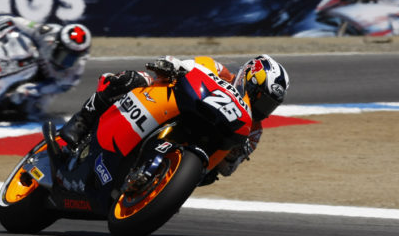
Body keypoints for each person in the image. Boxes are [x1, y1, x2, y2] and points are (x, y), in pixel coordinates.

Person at [58, 54, 290, 182]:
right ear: (247, 78)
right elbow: (188, 65)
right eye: (261, 98)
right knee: (130, 79)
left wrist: (234, 155)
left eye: (269, 104)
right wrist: (174, 65)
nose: (262, 107)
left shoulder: (253, 129)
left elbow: (227, 171)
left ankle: (157, 187)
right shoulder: (221, 72)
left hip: (195, 152)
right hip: (174, 104)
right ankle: (82, 121)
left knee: (205, 178)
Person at [0, 12, 92, 117]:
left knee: (32, 112)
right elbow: (13, 20)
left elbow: (55, 87)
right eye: (64, 54)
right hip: (27, 59)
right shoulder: (46, 33)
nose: (66, 61)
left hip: (43, 82)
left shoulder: (74, 73)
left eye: (72, 57)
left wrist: (31, 90)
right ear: (56, 43)